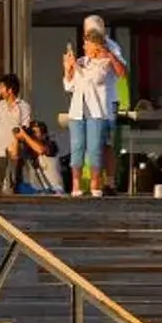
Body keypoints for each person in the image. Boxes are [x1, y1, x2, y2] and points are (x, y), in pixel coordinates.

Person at [62, 17, 128, 198]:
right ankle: (77, 184)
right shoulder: (84, 60)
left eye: (89, 35)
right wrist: (69, 68)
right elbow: (70, 85)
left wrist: (107, 54)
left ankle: (105, 182)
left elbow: (118, 73)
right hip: (80, 109)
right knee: (78, 146)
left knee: (101, 146)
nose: (85, 41)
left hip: (103, 105)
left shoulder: (110, 50)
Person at [0, 74, 53, 195]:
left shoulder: (24, 106)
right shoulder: (1, 105)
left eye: (2, 87)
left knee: (13, 181)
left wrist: (18, 127)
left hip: (14, 149)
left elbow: (25, 127)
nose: (0, 90)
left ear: (10, 90)